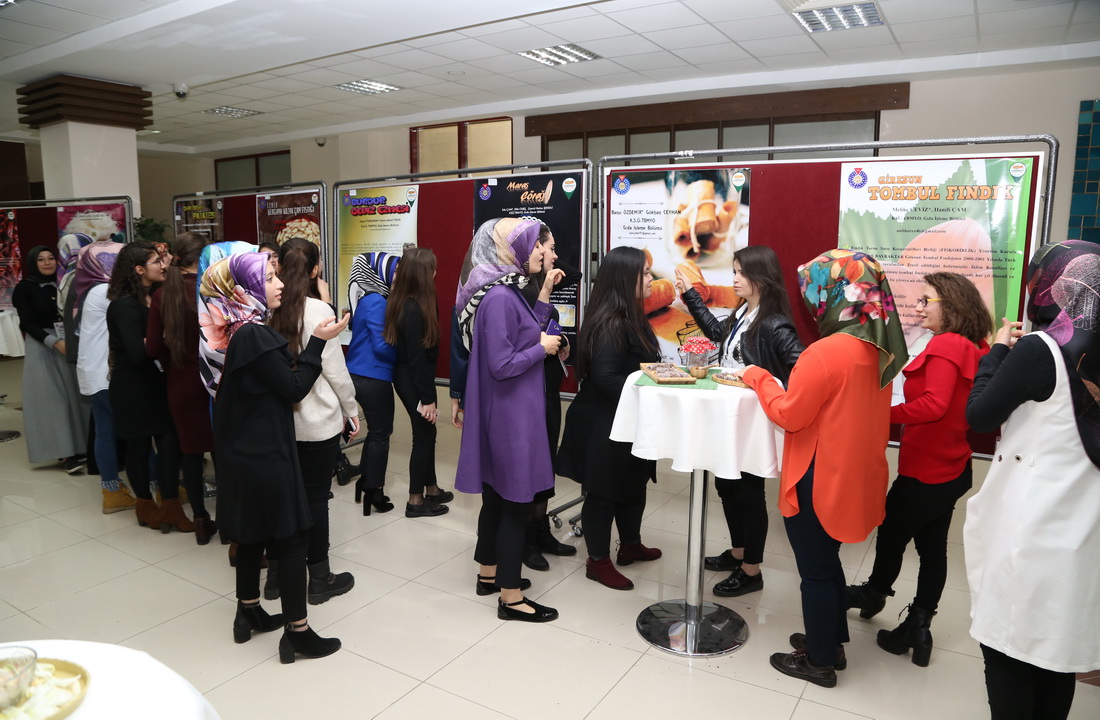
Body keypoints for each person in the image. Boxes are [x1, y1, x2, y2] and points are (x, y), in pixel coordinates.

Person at [730, 249, 907, 688]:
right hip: (855, 471)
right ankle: (830, 639)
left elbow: (789, 414)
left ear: (833, 293)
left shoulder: (826, 352)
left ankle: (820, 661)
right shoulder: (878, 349)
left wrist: (758, 377)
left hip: (820, 474)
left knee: (814, 571)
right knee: (827, 562)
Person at [965, 239, 1100, 720]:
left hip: (1031, 528)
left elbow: (980, 415)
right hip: (1082, 528)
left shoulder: (1041, 350)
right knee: (1054, 652)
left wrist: (997, 352)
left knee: (1007, 648)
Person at [202, 250, 348, 663]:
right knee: (293, 538)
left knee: (251, 534)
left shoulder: (236, 329)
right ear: (243, 288)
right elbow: (294, 388)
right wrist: (319, 341)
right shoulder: (255, 334)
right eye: (268, 278)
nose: (280, 284)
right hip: (264, 453)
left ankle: (247, 611)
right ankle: (297, 633)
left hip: (242, 450)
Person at [845, 272, 991, 666]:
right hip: (951, 466)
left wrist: (879, 413)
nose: (919, 307)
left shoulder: (945, 345)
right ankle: (918, 626)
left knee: (892, 535)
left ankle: (875, 594)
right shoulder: (973, 346)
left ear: (952, 305)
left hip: (926, 471)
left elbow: (934, 406)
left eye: (927, 300)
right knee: (932, 548)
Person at [675, 245, 803, 597]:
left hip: (753, 424)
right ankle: (738, 552)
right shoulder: (745, 311)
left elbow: (803, 367)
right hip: (732, 420)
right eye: (733, 271)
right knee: (727, 485)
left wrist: (771, 387)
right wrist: (690, 294)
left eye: (740, 273)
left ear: (761, 276)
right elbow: (717, 333)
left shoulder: (774, 323)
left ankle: (751, 570)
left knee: (748, 493)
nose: (734, 279)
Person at [454, 217, 560, 623]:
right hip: (511, 417)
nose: (541, 251)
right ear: (509, 251)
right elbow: (502, 364)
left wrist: (543, 303)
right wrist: (542, 349)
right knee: (515, 504)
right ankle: (511, 598)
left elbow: (523, 329)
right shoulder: (499, 296)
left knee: (498, 500)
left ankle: (489, 574)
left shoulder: (505, 291)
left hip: (509, 411)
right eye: (534, 245)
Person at [557, 246, 662, 591]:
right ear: (625, 279)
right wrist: (649, 394)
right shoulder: (611, 322)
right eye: (644, 273)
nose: (651, 278)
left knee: (633, 483)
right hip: (604, 422)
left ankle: (630, 544)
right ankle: (597, 562)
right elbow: (606, 379)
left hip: (625, 419)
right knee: (604, 493)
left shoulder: (630, 316)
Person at [270, 237, 358, 604]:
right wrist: (351, 410)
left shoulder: (267, 307)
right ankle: (320, 577)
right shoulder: (318, 309)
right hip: (317, 421)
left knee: (280, 499)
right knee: (316, 499)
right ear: (315, 269)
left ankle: (275, 578)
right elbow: (334, 370)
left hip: (278, 422)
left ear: (277, 266)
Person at [107, 242, 191, 533]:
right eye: (156, 261)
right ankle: (145, 507)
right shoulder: (123, 306)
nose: (163, 265)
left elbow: (148, 344)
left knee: (169, 444)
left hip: (156, 382)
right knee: (139, 447)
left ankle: (170, 506)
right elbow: (136, 352)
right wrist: (164, 339)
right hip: (132, 387)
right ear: (139, 269)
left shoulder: (155, 296)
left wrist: (154, 340)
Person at [146, 232, 218, 543]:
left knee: (190, 454)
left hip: (180, 384)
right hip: (213, 383)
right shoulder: (213, 291)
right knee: (221, 453)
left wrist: (174, 357)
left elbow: (152, 348)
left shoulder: (163, 295)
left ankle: (200, 521)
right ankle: (229, 525)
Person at [518, 225, 580, 571]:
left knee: (545, 466)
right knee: (530, 467)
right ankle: (525, 537)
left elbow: (576, 275)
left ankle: (541, 529)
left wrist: (562, 343)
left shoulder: (541, 285)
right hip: (531, 392)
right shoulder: (520, 291)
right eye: (550, 248)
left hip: (549, 390)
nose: (556, 256)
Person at [384, 246, 453, 517]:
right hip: (411, 378)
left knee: (427, 433)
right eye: (432, 268)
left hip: (413, 375)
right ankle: (415, 501)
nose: (436, 272)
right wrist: (428, 399)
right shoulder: (412, 308)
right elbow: (416, 359)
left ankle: (431, 489)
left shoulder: (414, 300)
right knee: (423, 436)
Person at [12, 246, 88, 474]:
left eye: (51, 258)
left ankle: (81, 447)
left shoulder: (65, 283)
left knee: (77, 397)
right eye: (41, 260)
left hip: (69, 344)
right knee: (54, 401)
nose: (47, 263)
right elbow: (27, 323)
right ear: (32, 263)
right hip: (43, 346)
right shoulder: (24, 288)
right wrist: (54, 342)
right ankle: (65, 453)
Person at [73, 239, 131, 513]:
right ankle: (157, 485)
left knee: (106, 432)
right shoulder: (107, 291)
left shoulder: (89, 289)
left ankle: (111, 490)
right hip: (107, 372)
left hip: (95, 371)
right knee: (136, 432)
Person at [345, 251, 399, 515]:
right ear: (381, 272)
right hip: (372, 376)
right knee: (381, 434)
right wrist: (404, 352)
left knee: (376, 432)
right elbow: (382, 346)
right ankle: (373, 491)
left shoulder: (368, 298)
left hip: (361, 373)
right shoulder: (377, 300)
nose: (398, 276)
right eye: (395, 271)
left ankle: (365, 482)